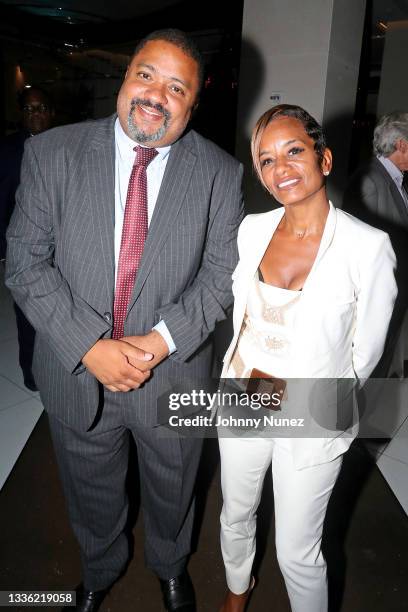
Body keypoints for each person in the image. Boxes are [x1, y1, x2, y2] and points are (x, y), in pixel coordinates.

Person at [6, 29, 243, 612]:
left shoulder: (220, 173)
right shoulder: (52, 153)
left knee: (174, 487)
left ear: (193, 103)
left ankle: (169, 564)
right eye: (146, 74)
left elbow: (221, 277)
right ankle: (99, 568)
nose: (155, 94)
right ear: (125, 76)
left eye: (176, 86)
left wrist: (160, 343)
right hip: (76, 370)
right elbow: (25, 263)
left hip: (173, 375)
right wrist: (89, 346)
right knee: (90, 490)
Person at [217, 104, 397, 612]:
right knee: (236, 511)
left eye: (294, 151)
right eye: (267, 160)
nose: (282, 169)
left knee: (297, 551)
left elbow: (367, 352)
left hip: (313, 413)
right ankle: (236, 590)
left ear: (325, 158)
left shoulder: (369, 247)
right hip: (245, 395)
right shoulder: (251, 230)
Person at [344, 111, 408, 377]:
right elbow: (358, 247)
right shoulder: (370, 180)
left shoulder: (393, 179)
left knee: (387, 351)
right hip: (379, 292)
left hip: (395, 286)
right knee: (374, 358)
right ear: (402, 145)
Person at [0, 86, 54, 391]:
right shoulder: (7, 151)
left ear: (52, 112)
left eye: (42, 108)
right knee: (26, 314)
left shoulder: (67, 145)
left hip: (62, 248)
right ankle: (32, 375)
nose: (36, 115)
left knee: (59, 312)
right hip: (21, 248)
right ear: (22, 114)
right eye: (29, 109)